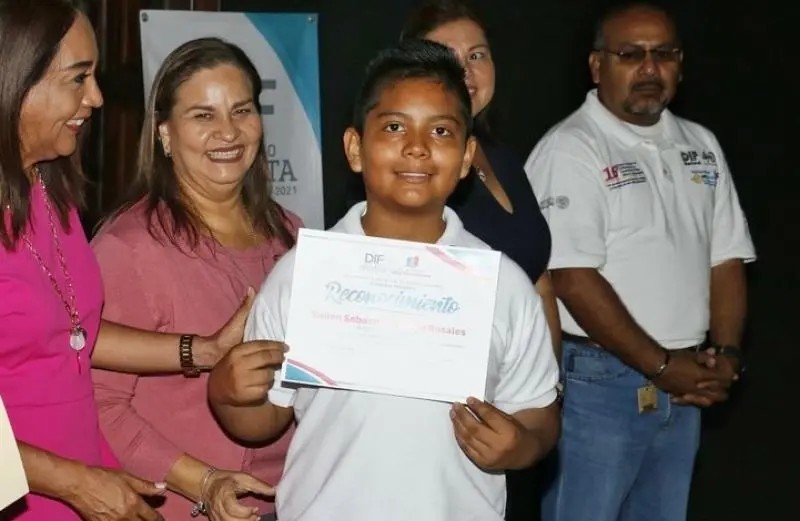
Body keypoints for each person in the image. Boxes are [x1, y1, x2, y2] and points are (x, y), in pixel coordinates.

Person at [207, 39, 561, 521]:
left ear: (465, 157)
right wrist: (227, 394)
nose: (416, 146)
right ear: (355, 148)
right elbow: (264, 418)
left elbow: (540, 413)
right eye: (394, 127)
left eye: (440, 131)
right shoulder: (305, 275)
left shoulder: (504, 286)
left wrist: (520, 445)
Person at [0, 2, 258, 520]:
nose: (95, 97)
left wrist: (203, 351)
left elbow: (75, 335)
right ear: (16, 79)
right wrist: (73, 483)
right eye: (79, 78)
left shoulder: (50, 193)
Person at [523, 3, 756, 521]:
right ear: (596, 66)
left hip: (686, 378)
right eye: (630, 54)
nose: (650, 69)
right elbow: (571, 278)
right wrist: (662, 365)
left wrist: (727, 356)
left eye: (664, 54)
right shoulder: (571, 148)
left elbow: (727, 258)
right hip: (598, 383)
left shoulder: (701, 145)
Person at [90, 37, 301, 521]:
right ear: (164, 134)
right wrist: (204, 482)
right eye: (203, 116)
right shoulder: (131, 249)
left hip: (299, 500)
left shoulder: (293, 233)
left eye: (242, 110)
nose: (228, 132)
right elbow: (100, 407)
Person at [400, 2, 561, 519]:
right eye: (448, 56)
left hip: (526, 411)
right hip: (464, 422)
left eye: (478, 54)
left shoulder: (505, 160)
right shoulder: (418, 173)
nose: (466, 71)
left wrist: (547, 391)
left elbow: (538, 278)